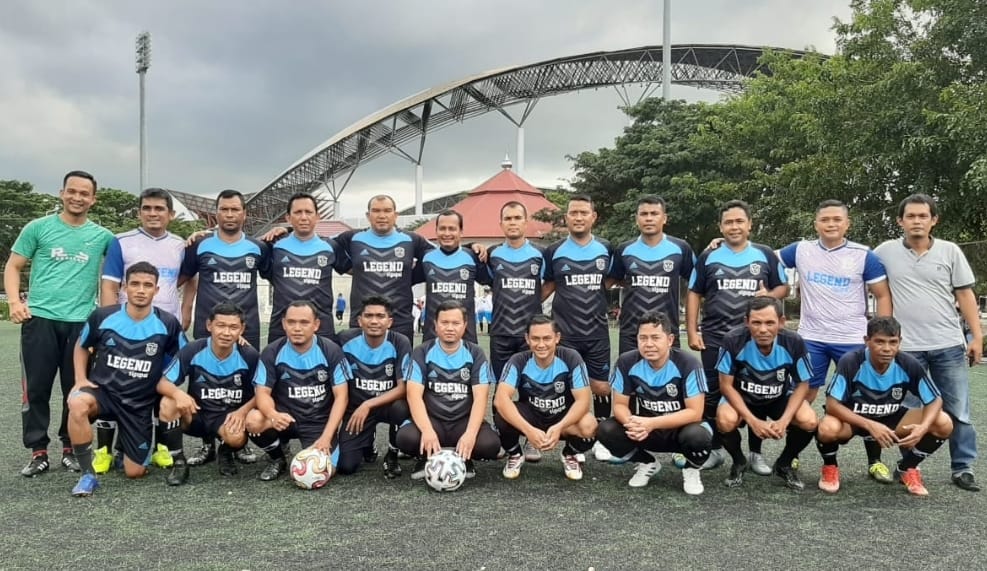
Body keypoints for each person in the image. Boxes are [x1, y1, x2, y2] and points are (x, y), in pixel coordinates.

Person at [3, 170, 113, 477]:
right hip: (40, 320)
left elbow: (127, 258)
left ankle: (70, 449)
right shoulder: (38, 228)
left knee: (75, 389)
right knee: (36, 388)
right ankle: (38, 451)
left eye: (84, 193)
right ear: (62, 193)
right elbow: (13, 266)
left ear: (93, 199)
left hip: (81, 324)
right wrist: (15, 302)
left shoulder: (103, 236)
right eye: (72, 191)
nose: (77, 197)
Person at [777, 199, 894, 481]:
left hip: (852, 339)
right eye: (825, 219)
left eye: (837, 219)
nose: (831, 224)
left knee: (866, 396)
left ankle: (875, 461)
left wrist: (881, 336)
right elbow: (762, 256)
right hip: (811, 338)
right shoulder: (801, 250)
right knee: (803, 396)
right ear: (816, 224)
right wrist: (720, 244)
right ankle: (792, 453)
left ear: (847, 224)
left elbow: (882, 295)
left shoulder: (864, 255)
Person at [874, 193, 983, 492]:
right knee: (908, 410)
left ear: (934, 220)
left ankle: (963, 467)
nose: (917, 221)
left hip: (948, 344)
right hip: (906, 348)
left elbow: (965, 295)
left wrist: (976, 336)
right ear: (900, 221)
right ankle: (910, 466)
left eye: (923, 216)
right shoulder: (884, 252)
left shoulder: (950, 251)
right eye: (911, 216)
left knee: (958, 410)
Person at [65, 262, 186, 496]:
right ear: (124, 287)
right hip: (103, 394)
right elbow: (81, 345)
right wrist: (80, 379)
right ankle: (87, 475)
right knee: (77, 403)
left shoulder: (167, 323)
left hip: (139, 404)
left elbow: (184, 355)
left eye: (147, 285)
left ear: (156, 290)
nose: (141, 290)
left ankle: (123, 448)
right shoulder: (103, 316)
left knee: (134, 472)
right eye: (135, 284)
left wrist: (169, 385)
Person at [686, 199, 789, 469]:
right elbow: (694, 293)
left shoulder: (765, 254)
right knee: (712, 393)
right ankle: (715, 449)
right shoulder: (708, 256)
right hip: (715, 336)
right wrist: (693, 331)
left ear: (750, 224)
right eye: (728, 222)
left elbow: (784, 288)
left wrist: (769, 295)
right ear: (721, 227)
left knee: (757, 392)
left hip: (753, 337)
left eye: (739, 221)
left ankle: (756, 453)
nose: (734, 226)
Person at [97, 187, 193, 473]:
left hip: (164, 330)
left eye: (159, 208)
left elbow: (189, 278)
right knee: (116, 387)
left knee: (164, 385)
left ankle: (162, 447)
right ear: (139, 212)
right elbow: (110, 285)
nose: (153, 213)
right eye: (147, 208)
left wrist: (185, 311)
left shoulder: (180, 245)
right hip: (125, 333)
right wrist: (107, 326)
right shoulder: (121, 242)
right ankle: (107, 450)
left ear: (171, 214)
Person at [179, 189, 271, 466]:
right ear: (216, 213)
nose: (230, 215)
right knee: (202, 382)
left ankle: (237, 442)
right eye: (224, 209)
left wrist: (280, 232)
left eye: (235, 209)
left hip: (246, 327)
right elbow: (185, 277)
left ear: (244, 214)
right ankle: (207, 442)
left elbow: (276, 275)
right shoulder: (200, 245)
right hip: (209, 327)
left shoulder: (258, 248)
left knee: (243, 383)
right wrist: (185, 310)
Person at [816, 316, 954, 496]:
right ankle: (830, 467)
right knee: (827, 428)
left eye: (893, 342)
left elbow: (935, 400)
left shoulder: (907, 363)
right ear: (867, 341)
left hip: (891, 417)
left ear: (899, 342)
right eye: (879, 342)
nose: (887, 348)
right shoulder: (851, 361)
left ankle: (907, 468)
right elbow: (832, 405)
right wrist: (870, 425)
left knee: (943, 422)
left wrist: (923, 427)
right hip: (854, 419)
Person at [596, 311, 711, 495]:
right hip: (644, 431)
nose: (648, 344)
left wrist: (651, 423)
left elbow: (695, 412)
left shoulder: (688, 364)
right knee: (606, 429)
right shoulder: (626, 362)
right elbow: (619, 405)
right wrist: (632, 424)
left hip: (679, 432)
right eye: (643, 338)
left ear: (670, 340)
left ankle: (692, 468)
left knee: (698, 436)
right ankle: (646, 463)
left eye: (655, 338)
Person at [542, 195, 616, 462]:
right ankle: (577, 439)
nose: (578, 217)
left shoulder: (606, 248)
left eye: (584, 212)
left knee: (601, 387)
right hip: (565, 334)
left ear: (593, 217)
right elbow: (547, 286)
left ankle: (603, 438)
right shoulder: (554, 251)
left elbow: (611, 279)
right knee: (568, 386)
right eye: (573, 213)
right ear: (566, 218)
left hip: (597, 332)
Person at [716, 297, 817, 491]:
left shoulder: (793, 341)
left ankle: (784, 463)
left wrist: (785, 421)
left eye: (770, 323)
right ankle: (739, 462)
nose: (763, 329)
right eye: (756, 322)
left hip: (778, 396)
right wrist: (753, 421)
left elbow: (803, 385)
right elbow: (726, 386)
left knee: (809, 420)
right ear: (746, 322)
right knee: (725, 420)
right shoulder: (733, 340)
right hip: (742, 397)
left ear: (781, 322)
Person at [155, 302, 261, 485]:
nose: (226, 332)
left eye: (233, 327)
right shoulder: (193, 350)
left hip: (227, 418)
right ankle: (179, 462)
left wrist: (242, 412)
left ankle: (225, 451)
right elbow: (162, 383)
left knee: (237, 438)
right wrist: (179, 394)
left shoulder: (249, 355)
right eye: (221, 325)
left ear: (242, 329)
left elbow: (262, 393)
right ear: (209, 325)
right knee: (168, 402)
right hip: (196, 414)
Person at [245, 301, 351, 481]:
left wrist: (326, 437)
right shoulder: (272, 352)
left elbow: (342, 397)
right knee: (253, 420)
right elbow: (262, 393)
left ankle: (316, 446)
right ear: (284, 324)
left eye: (304, 322)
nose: (297, 328)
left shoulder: (331, 351)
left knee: (326, 471)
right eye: (291, 322)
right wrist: (273, 415)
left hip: (317, 422)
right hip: (285, 418)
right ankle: (277, 458)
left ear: (316, 325)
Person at [396, 300, 501, 479]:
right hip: (433, 420)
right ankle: (426, 457)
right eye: (444, 322)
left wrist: (470, 434)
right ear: (435, 325)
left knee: (490, 445)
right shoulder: (422, 352)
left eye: (456, 323)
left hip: (462, 421)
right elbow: (413, 395)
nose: (450, 328)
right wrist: (427, 430)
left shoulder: (475, 353)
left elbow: (481, 398)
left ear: (465, 326)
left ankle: (464, 458)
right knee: (405, 438)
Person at [493, 315, 598, 481]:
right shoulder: (518, 360)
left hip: (561, 417)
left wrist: (559, 427)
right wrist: (528, 430)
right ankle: (515, 454)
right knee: (502, 416)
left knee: (589, 425)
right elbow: (500, 399)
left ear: (557, 338)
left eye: (547, 338)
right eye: (535, 338)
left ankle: (569, 454)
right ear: (527, 339)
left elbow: (584, 401)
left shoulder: (571, 358)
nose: (541, 344)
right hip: (531, 417)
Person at [333, 195, 434, 343]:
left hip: (400, 323)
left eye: (387, 210)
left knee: (400, 359)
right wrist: (347, 267)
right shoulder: (352, 238)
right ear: (368, 215)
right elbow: (321, 246)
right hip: (362, 321)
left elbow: (440, 255)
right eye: (376, 211)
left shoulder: (412, 240)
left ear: (396, 215)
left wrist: (411, 276)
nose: (382, 216)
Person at [336, 296, 413, 478]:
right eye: (369, 316)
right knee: (346, 466)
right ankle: (367, 442)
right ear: (359, 320)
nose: (374, 321)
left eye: (380, 316)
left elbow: (403, 388)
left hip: (387, 405)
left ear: (389, 322)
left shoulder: (400, 342)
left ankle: (392, 454)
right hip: (356, 409)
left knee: (402, 407)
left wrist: (368, 404)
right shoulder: (344, 339)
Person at [608, 195, 695, 355]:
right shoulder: (624, 250)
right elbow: (612, 280)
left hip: (667, 332)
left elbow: (697, 284)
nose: (649, 218)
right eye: (644, 214)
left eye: (654, 214)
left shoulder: (681, 248)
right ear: (636, 219)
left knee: (670, 372)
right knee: (629, 371)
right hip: (631, 334)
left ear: (664, 218)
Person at [267, 192, 344, 343]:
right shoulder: (273, 245)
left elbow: (357, 269)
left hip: (321, 328)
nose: (303, 217)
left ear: (317, 216)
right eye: (298, 212)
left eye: (308, 212)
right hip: (281, 328)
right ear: (288, 218)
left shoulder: (331, 246)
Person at [418, 209, 490, 344]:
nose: (447, 233)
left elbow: (496, 283)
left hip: (466, 338)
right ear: (436, 231)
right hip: (432, 337)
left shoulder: (473, 257)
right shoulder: (426, 258)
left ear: (461, 232)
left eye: (452, 229)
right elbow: (403, 281)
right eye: (442, 228)